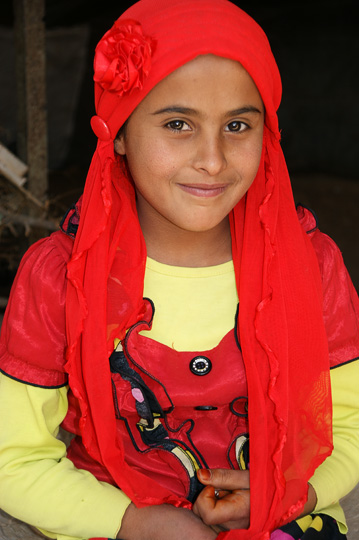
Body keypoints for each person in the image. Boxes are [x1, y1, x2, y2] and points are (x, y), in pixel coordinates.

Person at [0, 1, 359, 539]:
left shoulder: (312, 268)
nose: (212, 159)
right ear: (118, 133)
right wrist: (130, 521)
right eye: (178, 124)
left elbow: (348, 426)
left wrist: (289, 492)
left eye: (237, 125)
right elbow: (12, 460)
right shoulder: (59, 278)